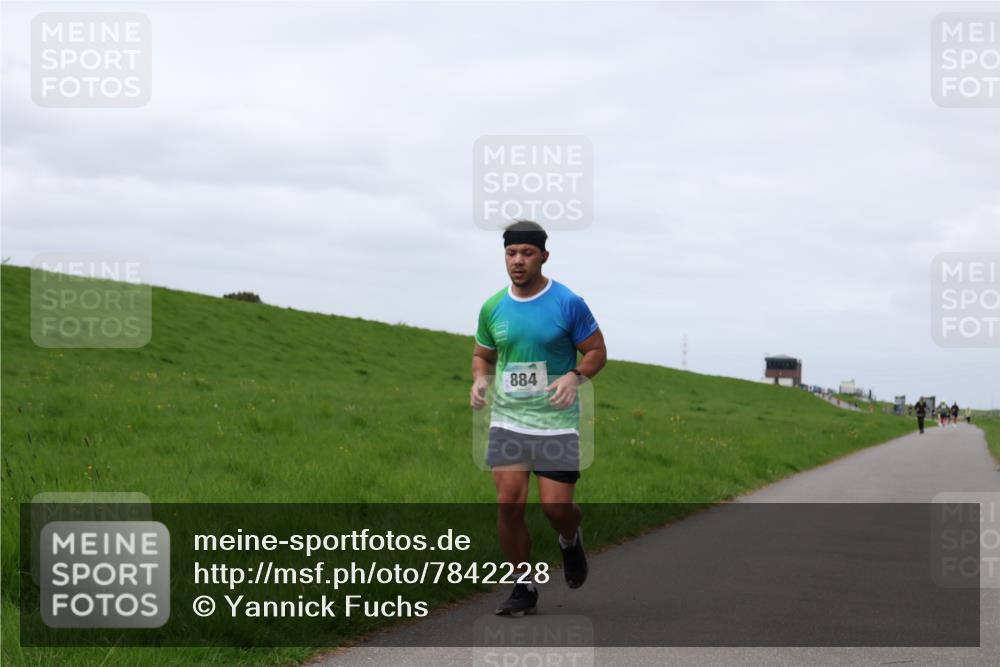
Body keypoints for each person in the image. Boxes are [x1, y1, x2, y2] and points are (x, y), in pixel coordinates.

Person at [470, 220, 607, 616]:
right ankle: (523, 584)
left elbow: (597, 351)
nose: (518, 261)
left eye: (527, 253)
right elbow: (483, 355)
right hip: (509, 419)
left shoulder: (568, 302)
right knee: (508, 505)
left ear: (543, 256)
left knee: (556, 509)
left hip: (556, 422)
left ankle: (570, 539)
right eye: (512, 253)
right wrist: (480, 380)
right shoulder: (493, 307)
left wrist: (575, 375)